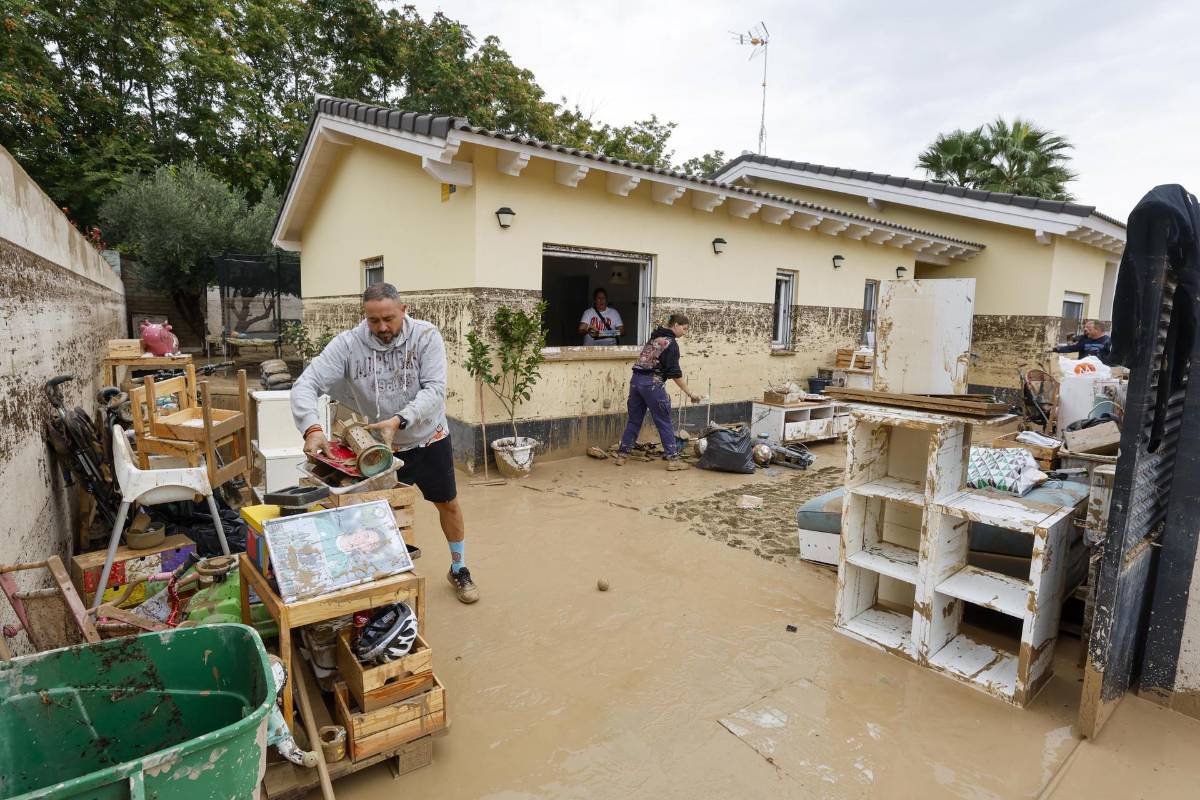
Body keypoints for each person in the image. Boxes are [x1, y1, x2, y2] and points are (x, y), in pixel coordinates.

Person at [290, 283, 479, 604]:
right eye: (373, 321)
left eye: (389, 319)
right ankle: (386, 581)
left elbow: (434, 391)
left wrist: (399, 420)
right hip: (380, 450)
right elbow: (306, 383)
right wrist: (312, 428)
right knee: (379, 517)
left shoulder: (425, 337)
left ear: (403, 310)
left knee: (447, 503)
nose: (382, 328)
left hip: (429, 437)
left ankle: (459, 568)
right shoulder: (348, 345)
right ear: (365, 317)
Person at [613, 314, 701, 470]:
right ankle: (673, 460)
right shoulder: (671, 343)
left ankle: (622, 455)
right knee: (664, 421)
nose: (685, 332)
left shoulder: (654, 338)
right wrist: (690, 393)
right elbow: (675, 373)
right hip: (652, 385)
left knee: (634, 420)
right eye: (684, 328)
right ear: (675, 325)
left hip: (635, 382)